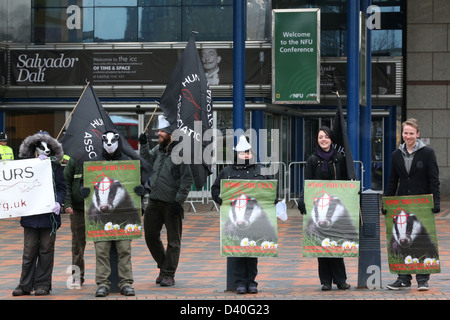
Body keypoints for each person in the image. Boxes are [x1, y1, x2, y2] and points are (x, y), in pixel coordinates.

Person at [82, 129, 144, 297]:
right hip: (100, 217)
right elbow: (84, 184)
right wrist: (83, 191)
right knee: (101, 250)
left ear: (118, 142)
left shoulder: (129, 163)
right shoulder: (93, 164)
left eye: (112, 142)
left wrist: (141, 190)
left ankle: (126, 283)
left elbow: (140, 184)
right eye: (106, 142)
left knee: (125, 250)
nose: (109, 146)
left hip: (123, 215)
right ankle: (102, 284)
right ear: (102, 142)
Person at [211, 135, 275, 294]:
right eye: (242, 153)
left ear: (251, 153)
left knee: (252, 252)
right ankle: (239, 282)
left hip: (255, 220)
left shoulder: (261, 170)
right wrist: (220, 199)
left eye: (247, 153)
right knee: (237, 252)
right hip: (235, 218)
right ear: (236, 154)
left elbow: (271, 188)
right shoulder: (227, 171)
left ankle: (252, 282)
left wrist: (273, 199)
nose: (245, 155)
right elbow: (215, 189)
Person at [384, 118, 440, 291]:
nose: (408, 136)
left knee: (421, 239)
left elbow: (434, 180)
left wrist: (435, 201)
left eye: (411, 133)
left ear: (418, 134)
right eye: (405, 133)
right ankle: (403, 279)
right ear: (402, 134)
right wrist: (387, 201)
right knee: (401, 240)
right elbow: (392, 180)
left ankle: (423, 279)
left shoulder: (428, 153)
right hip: (402, 203)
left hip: (422, 203)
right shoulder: (396, 155)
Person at [138, 115, 193, 287]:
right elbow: (146, 159)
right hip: (154, 201)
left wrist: (179, 201)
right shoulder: (159, 149)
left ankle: (168, 273)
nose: (159, 134)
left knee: (173, 241)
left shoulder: (181, 152)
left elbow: (187, 179)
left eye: (162, 131)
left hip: (171, 204)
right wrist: (144, 144)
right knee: (150, 236)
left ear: (171, 134)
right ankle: (164, 266)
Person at [297, 126, 351, 291]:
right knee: (322, 245)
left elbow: (345, 180)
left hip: (335, 207)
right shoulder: (312, 160)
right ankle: (326, 281)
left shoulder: (340, 158)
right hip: (318, 207)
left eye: (326, 137)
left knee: (336, 243)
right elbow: (308, 182)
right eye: (321, 137)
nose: (323, 140)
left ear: (331, 139)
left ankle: (340, 280)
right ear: (317, 140)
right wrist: (302, 199)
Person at [12, 131, 66, 296]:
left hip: (49, 218)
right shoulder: (24, 167)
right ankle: (25, 285)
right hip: (30, 217)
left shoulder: (55, 167)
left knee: (46, 250)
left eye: (48, 147)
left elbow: (62, 188)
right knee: (29, 251)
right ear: (34, 149)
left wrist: (59, 202)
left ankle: (42, 285)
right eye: (41, 147)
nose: (45, 150)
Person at [64, 156, 86, 288]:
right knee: (77, 245)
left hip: (98, 209)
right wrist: (67, 203)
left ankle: (103, 279)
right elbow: (66, 182)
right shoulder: (73, 161)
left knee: (103, 247)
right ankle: (77, 276)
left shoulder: (100, 158)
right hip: (78, 210)